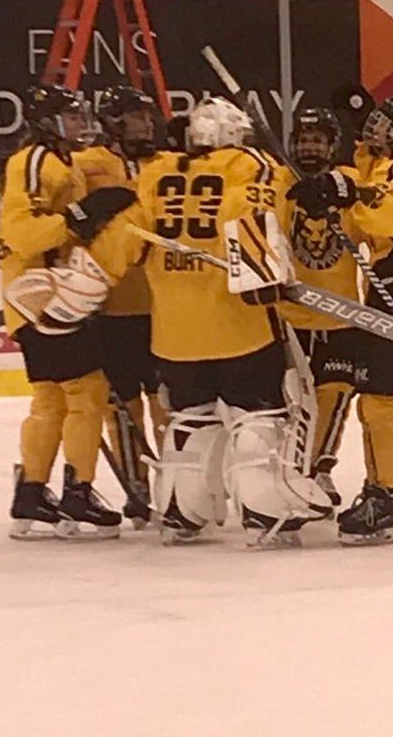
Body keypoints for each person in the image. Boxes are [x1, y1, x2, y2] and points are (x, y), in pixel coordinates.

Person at [104, 97, 331, 547]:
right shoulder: (252, 165)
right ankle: (266, 515)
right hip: (238, 325)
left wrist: (84, 283)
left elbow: (126, 240)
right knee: (257, 417)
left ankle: (181, 513)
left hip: (174, 334)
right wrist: (267, 273)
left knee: (191, 418)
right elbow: (250, 215)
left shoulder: (156, 172)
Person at [289, 93, 393, 542]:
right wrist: (338, 190)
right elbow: (368, 193)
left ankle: (386, 499)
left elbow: (388, 215)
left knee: (381, 402)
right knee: (373, 402)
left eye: (386, 124)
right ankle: (378, 490)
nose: (376, 128)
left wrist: (343, 193)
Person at [0, 84, 123, 540]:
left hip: (41, 297)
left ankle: (31, 493)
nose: (79, 124)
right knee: (88, 391)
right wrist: (78, 216)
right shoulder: (33, 161)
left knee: (50, 399)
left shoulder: (60, 160)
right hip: (44, 297)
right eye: (70, 117)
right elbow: (21, 232)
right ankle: (78, 492)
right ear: (47, 121)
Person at [72, 84, 168, 526]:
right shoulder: (86, 164)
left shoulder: (167, 165)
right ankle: (137, 486)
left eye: (147, 117)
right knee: (122, 404)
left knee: (167, 402)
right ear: (113, 121)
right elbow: (68, 223)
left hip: (165, 305)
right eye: (136, 117)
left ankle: (176, 483)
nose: (146, 125)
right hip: (111, 308)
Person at [279, 106, 366, 511]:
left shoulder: (350, 183)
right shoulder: (279, 182)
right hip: (289, 316)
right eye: (303, 140)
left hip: (340, 316)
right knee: (289, 402)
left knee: (335, 395)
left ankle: (319, 470)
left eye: (317, 141)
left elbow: (376, 220)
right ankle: (288, 470)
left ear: (332, 147)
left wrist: (343, 192)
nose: (309, 147)